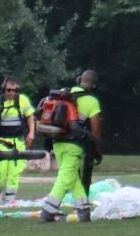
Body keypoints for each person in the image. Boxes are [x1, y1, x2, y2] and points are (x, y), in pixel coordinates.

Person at [40, 70, 102, 223]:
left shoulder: (63, 94)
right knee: (65, 177)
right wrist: (96, 148)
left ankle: (83, 210)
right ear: (93, 85)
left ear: (79, 80)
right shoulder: (92, 101)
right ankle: (48, 210)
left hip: (57, 141)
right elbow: (95, 129)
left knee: (72, 177)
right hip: (74, 145)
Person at [0, 76, 35, 205]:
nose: (11, 93)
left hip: (18, 141)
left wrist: (31, 133)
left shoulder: (22, 100)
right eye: (8, 90)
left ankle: (10, 200)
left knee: (14, 173)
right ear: (4, 89)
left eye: (14, 90)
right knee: (1, 172)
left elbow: (30, 117)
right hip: (1, 141)